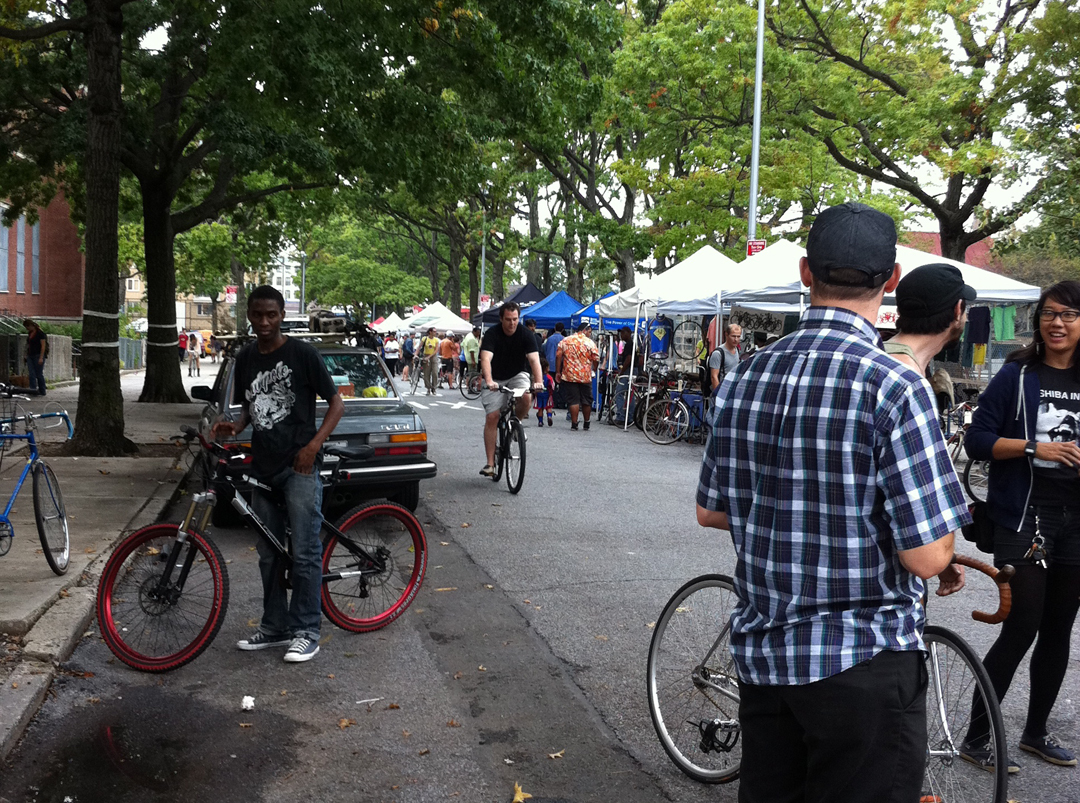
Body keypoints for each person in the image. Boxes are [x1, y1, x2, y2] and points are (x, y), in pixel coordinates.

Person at [696, 202, 968, 803]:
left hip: (765, 656)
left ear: (803, 273)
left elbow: (712, 510)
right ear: (891, 279)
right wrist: (944, 550)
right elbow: (925, 556)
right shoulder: (894, 384)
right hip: (862, 659)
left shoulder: (745, 376)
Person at [963, 279, 1080, 769]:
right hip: (1024, 516)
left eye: (1069, 315)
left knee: (1059, 629)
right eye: (1050, 314)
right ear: (1038, 321)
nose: (1057, 323)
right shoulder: (1017, 375)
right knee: (1022, 625)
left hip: (1076, 521)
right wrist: (1035, 447)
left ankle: (1035, 732)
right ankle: (975, 737)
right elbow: (978, 440)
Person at [213, 285, 344, 664]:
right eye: (257, 315)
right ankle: (275, 627)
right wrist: (235, 428)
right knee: (269, 554)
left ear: (282, 315)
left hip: (299, 466)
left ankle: (306, 630)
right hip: (262, 469)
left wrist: (313, 446)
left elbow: (336, 405)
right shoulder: (246, 357)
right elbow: (251, 406)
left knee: (304, 553)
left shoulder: (302, 354)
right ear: (249, 315)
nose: (264, 322)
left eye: (272, 314)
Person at [478, 302, 543, 477]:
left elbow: (534, 360)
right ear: (501, 319)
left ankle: (516, 424)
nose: (512, 323)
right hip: (495, 377)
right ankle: (491, 464)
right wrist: (489, 380)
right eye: (508, 320)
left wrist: (539, 381)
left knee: (527, 397)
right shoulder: (492, 334)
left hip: (517, 374)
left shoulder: (525, 334)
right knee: (492, 417)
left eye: (515, 319)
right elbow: (486, 359)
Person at [885, 263, 975, 375]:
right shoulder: (909, 378)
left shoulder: (875, 354)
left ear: (899, 311)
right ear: (958, 310)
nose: (966, 319)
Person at [556, 322, 600, 431]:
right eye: (589, 332)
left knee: (573, 400)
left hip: (569, 375)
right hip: (585, 375)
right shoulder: (590, 343)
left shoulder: (566, 340)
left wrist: (558, 371)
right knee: (586, 400)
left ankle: (574, 424)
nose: (590, 334)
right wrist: (594, 368)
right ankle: (586, 422)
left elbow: (558, 355)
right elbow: (596, 358)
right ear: (585, 330)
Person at [706, 323, 742, 392]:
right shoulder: (718, 354)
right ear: (726, 335)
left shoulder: (737, 351)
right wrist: (719, 395)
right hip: (721, 392)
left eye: (738, 336)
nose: (736, 339)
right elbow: (714, 377)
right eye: (733, 336)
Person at [23, 319, 48, 397]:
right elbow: (28, 345)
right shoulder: (30, 333)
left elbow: (43, 346)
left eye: (28, 326)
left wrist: (41, 357)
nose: (27, 328)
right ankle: (33, 390)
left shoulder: (40, 334)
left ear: (31, 325)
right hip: (30, 355)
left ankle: (42, 390)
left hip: (38, 355)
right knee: (31, 373)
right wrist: (26, 354)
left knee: (39, 374)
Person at [534, 357, 555, 427]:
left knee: (540, 408)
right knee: (548, 407)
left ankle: (540, 421)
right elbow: (552, 385)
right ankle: (549, 417)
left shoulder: (537, 377)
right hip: (547, 394)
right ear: (546, 368)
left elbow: (534, 385)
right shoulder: (549, 377)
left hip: (539, 394)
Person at [419, 327, 441, 395]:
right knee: (426, 373)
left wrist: (429, 356)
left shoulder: (436, 340)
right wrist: (415, 354)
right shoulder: (424, 338)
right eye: (434, 331)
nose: (435, 332)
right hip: (426, 355)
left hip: (433, 356)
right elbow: (419, 347)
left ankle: (434, 387)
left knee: (435, 372)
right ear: (430, 332)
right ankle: (428, 387)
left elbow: (436, 350)